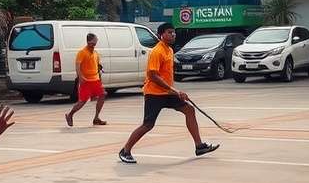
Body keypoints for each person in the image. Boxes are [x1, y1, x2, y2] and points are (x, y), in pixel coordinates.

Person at [118, 22, 219, 163]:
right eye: (169, 32)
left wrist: (173, 90)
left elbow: (166, 75)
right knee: (148, 124)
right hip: (154, 94)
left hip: (167, 92)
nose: (173, 35)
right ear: (161, 35)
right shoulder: (157, 51)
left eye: (174, 32)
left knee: (189, 110)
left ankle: (199, 146)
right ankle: (125, 150)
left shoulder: (169, 50)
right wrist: (174, 90)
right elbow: (153, 75)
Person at [65, 33, 107, 127]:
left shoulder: (95, 53)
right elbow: (77, 65)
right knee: (82, 101)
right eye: (93, 42)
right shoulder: (82, 52)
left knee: (103, 94)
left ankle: (96, 118)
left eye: (95, 42)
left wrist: (99, 78)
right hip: (86, 81)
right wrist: (80, 77)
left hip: (95, 80)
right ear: (88, 42)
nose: (94, 44)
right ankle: (70, 115)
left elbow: (97, 67)